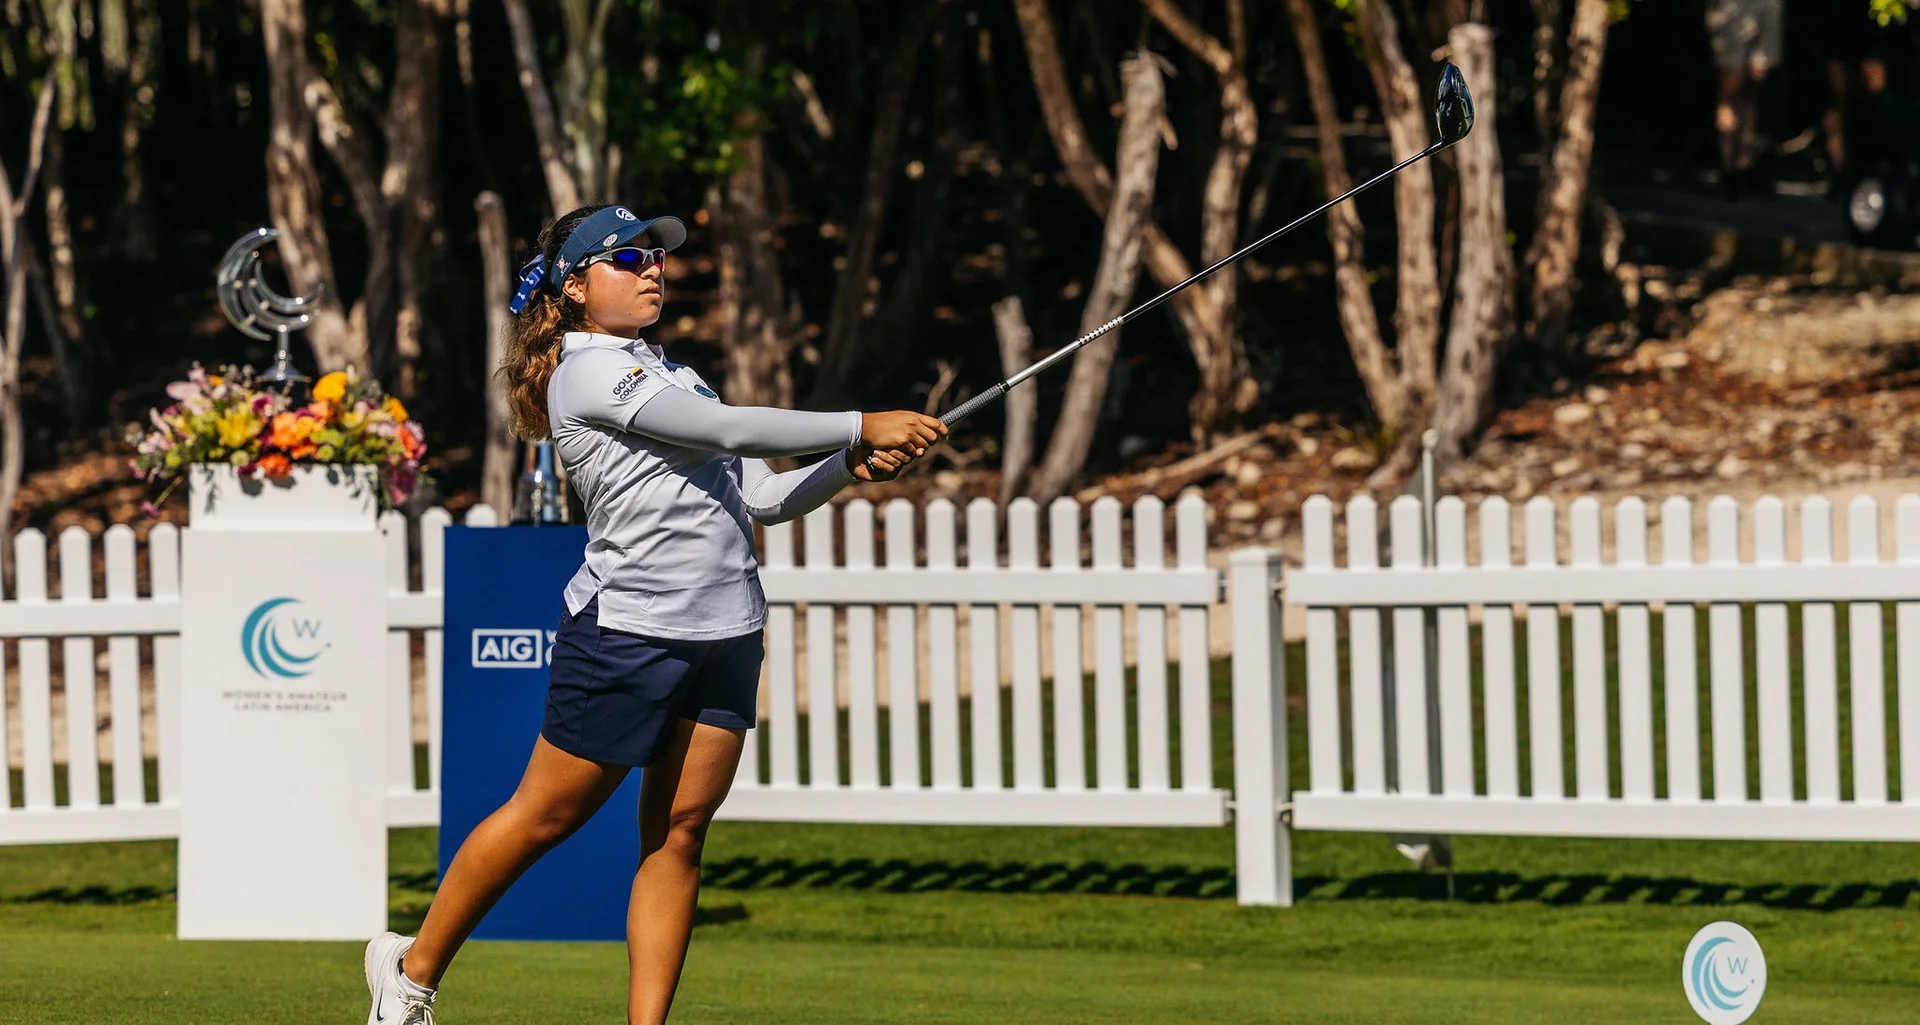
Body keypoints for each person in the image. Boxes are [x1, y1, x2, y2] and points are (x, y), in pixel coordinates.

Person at [360, 203, 948, 1025]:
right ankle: (410, 973)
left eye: (654, 258)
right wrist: (857, 420)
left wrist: (845, 463)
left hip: (729, 631)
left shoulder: (674, 372)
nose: (652, 270)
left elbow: (765, 498)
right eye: (627, 260)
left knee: (678, 835)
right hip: (629, 630)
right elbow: (723, 427)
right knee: (546, 814)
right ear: (574, 287)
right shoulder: (588, 372)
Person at [1707, 0, 1785, 196]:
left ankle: (1744, 163)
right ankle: (1728, 166)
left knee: (1752, 89)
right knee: (1731, 87)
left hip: (1766, 6)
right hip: (1734, 7)